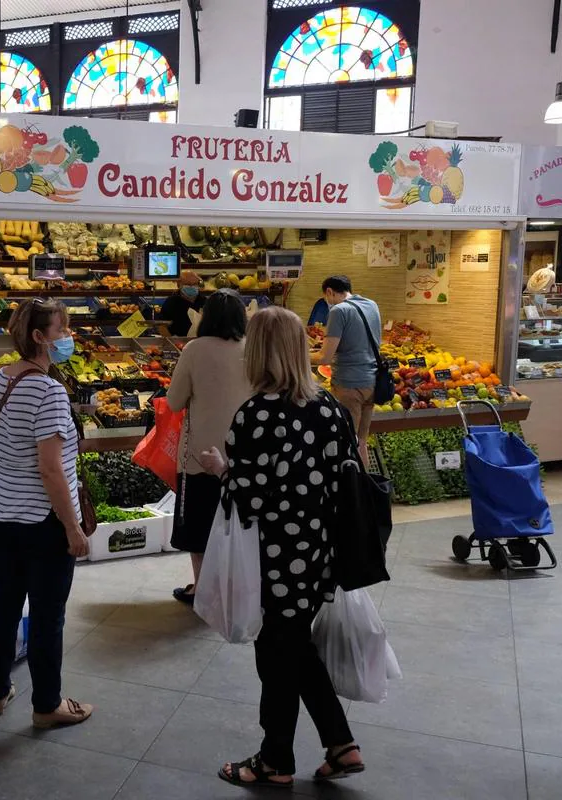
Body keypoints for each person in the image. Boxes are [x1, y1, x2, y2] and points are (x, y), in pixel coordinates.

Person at [199, 306, 363, 788]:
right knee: (292, 644)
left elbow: (251, 493)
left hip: (272, 556)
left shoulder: (256, 413)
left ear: (259, 351)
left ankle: (275, 761)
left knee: (276, 653)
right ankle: (341, 744)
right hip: (319, 552)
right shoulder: (331, 409)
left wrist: (220, 468)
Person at [0, 299, 93, 729]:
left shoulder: (0, 380)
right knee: (47, 615)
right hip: (42, 524)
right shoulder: (48, 391)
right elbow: (50, 469)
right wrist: (73, 527)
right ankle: (47, 705)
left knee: (4, 604)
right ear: (40, 338)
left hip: (0, 514)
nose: (68, 338)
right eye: (62, 330)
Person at [165, 289, 253, 606]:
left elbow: (174, 401)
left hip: (200, 454)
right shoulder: (253, 349)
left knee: (200, 524)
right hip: (245, 453)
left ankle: (203, 588)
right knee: (239, 523)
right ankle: (237, 586)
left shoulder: (195, 349)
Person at [311, 275, 381, 464]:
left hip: (349, 385)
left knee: (346, 442)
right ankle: (364, 487)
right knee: (362, 441)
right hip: (373, 383)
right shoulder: (371, 305)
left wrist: (298, 355)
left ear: (329, 292)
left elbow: (325, 357)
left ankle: (350, 490)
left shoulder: (338, 311)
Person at [160, 270, 204, 337]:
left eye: (195, 284)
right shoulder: (171, 302)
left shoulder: (205, 302)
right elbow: (162, 326)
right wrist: (172, 343)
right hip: (178, 342)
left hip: (200, 342)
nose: (192, 286)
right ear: (179, 285)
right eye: (188, 284)